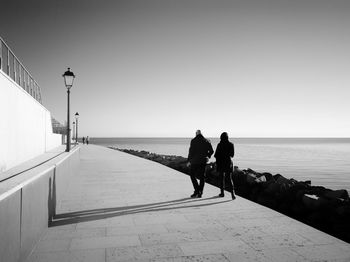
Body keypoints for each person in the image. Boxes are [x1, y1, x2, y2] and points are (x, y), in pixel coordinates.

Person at [187, 130, 214, 198]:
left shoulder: (193, 140)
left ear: (196, 134)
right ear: (201, 134)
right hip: (203, 161)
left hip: (194, 161)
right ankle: (200, 192)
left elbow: (191, 151)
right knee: (202, 177)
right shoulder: (207, 140)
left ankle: (196, 191)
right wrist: (208, 156)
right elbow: (211, 151)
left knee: (192, 175)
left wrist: (189, 161)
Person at [214, 132, 236, 200]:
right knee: (229, 179)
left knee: (221, 178)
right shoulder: (231, 144)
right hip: (228, 163)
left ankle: (222, 193)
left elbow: (216, 155)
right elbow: (232, 155)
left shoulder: (219, 144)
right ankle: (233, 194)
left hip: (221, 163)